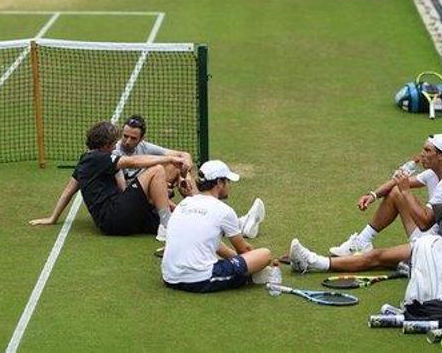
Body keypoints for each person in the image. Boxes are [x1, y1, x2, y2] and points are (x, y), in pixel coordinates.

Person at [288, 134, 442, 273]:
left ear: (441, 156)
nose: (421, 154)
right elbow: (397, 185)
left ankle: (313, 262)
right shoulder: (435, 173)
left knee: (375, 257)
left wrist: (406, 190)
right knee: (396, 192)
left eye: (427, 150)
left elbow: (424, 222)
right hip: (435, 236)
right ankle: (362, 241)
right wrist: (372, 195)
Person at [114, 114, 264, 240]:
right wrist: (159, 190)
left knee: (176, 165)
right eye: (125, 136)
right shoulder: (115, 154)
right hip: (134, 200)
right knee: (186, 217)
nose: (127, 141)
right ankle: (235, 223)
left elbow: (183, 155)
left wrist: (185, 170)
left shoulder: (143, 147)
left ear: (142, 138)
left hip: (152, 194)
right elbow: (124, 191)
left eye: (133, 138)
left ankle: (205, 207)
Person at [28, 121, 190, 236]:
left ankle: (169, 222)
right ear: (105, 144)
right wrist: (168, 159)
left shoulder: (85, 161)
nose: (115, 146)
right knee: (157, 170)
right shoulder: (101, 158)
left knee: (181, 225)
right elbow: (132, 161)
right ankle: (165, 226)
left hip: (110, 223)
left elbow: (68, 191)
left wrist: (52, 218)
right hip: (116, 215)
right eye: (113, 143)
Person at [162, 160, 272, 293]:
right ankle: (250, 277)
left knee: (230, 256)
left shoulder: (184, 204)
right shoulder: (224, 210)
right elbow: (244, 250)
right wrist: (254, 263)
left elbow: (215, 244)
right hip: (198, 280)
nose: (229, 185)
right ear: (219, 183)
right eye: (227, 181)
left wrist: (238, 260)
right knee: (264, 254)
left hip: (169, 277)